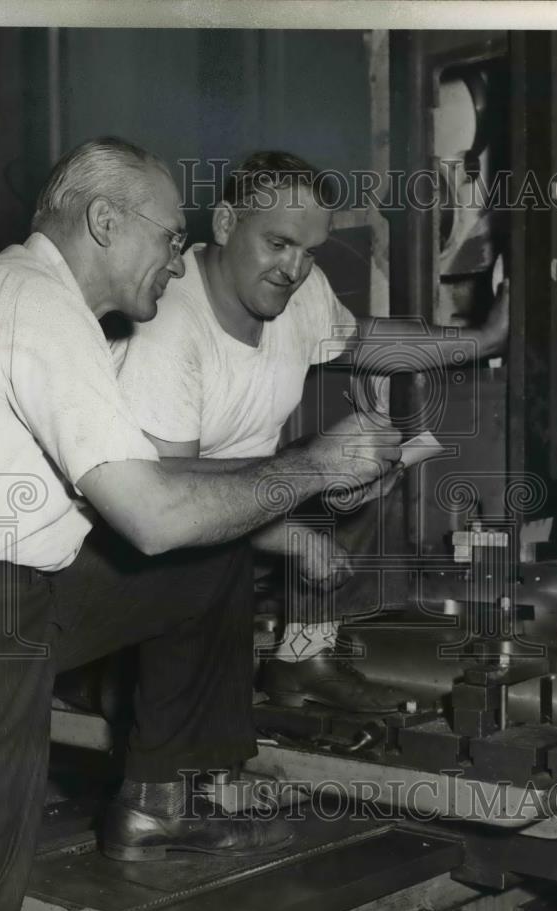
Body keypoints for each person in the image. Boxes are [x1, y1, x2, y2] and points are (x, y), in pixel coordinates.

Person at [0, 137, 401, 911]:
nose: (178, 266)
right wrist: (315, 468)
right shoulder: (35, 304)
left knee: (203, 562)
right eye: (170, 240)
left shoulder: (20, 297)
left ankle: (158, 804)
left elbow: (153, 502)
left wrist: (275, 514)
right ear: (106, 221)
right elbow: (150, 514)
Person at [116, 150, 508, 711]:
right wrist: (294, 537)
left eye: (309, 251)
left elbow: (366, 343)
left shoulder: (299, 292)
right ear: (226, 224)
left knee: (370, 456)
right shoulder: (168, 325)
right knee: (182, 703)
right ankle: (107, 673)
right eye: (277, 244)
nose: (294, 270)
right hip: (134, 539)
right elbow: (161, 497)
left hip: (235, 504)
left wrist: (485, 339)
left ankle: (302, 656)